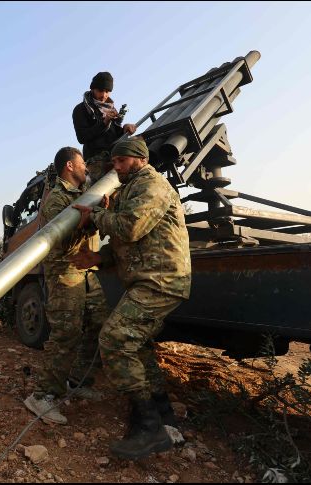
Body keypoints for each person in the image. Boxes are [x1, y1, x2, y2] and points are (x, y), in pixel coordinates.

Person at [71, 137, 191, 460]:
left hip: (161, 279)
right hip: (150, 277)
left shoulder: (152, 185)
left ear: (138, 159)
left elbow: (132, 228)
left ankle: (148, 427)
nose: (116, 167)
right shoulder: (131, 188)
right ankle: (164, 416)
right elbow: (129, 245)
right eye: (114, 162)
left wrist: (94, 216)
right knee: (138, 345)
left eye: (121, 161)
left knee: (113, 338)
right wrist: (97, 259)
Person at [23, 146, 110, 425]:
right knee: (66, 333)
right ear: (69, 166)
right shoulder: (57, 200)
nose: (87, 167)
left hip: (87, 272)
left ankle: (76, 380)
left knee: (98, 322)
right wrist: (88, 223)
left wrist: (98, 215)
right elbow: (63, 241)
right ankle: (43, 395)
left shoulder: (84, 194)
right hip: (65, 274)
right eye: (83, 162)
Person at [72, 71, 137, 182]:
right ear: (93, 89)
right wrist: (104, 123)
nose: (104, 95)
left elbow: (114, 134)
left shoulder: (111, 109)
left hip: (115, 156)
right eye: (100, 91)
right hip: (96, 161)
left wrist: (125, 129)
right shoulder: (80, 109)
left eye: (107, 91)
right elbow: (82, 137)